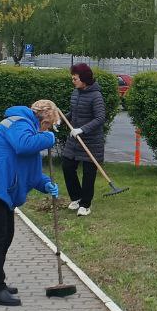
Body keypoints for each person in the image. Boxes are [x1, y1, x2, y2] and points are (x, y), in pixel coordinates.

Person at [0, 100, 62, 306]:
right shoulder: (18, 122)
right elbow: (22, 145)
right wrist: (48, 138)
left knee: (5, 236)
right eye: (48, 126)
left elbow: (33, 174)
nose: (48, 130)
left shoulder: (31, 133)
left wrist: (46, 184)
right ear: (42, 119)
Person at [61, 63, 106, 217]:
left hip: (91, 141)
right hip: (74, 141)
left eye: (75, 78)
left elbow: (100, 118)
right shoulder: (76, 92)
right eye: (72, 77)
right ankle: (76, 197)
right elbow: (73, 113)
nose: (73, 80)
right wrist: (60, 120)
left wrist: (82, 129)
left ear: (84, 78)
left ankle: (85, 205)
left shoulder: (96, 95)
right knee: (67, 166)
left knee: (88, 173)